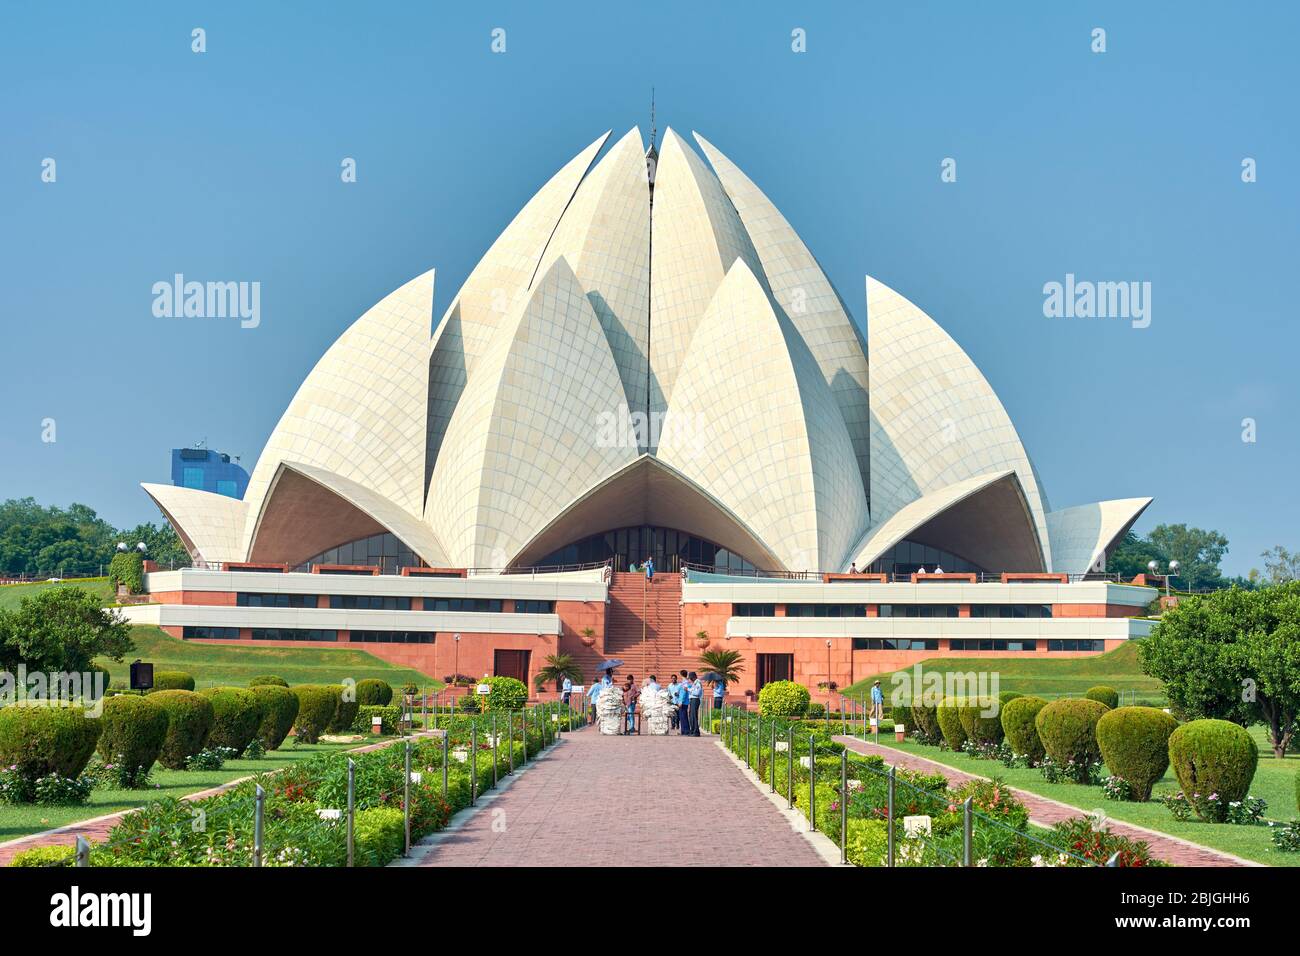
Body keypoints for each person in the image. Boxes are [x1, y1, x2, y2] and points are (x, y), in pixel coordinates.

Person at [687, 671, 703, 736]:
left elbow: (697, 693)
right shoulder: (694, 683)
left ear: (693, 677)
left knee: (694, 716)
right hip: (692, 700)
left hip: (695, 699)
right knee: (691, 716)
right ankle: (693, 730)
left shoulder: (698, 683)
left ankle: (696, 731)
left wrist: (688, 690)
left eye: (690, 678)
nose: (690, 679)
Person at [677, 669, 691, 735]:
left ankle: (686, 730)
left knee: (683, 716)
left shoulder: (685, 682)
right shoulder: (685, 682)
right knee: (683, 716)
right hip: (684, 701)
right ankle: (683, 730)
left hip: (683, 701)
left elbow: (684, 692)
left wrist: (681, 701)